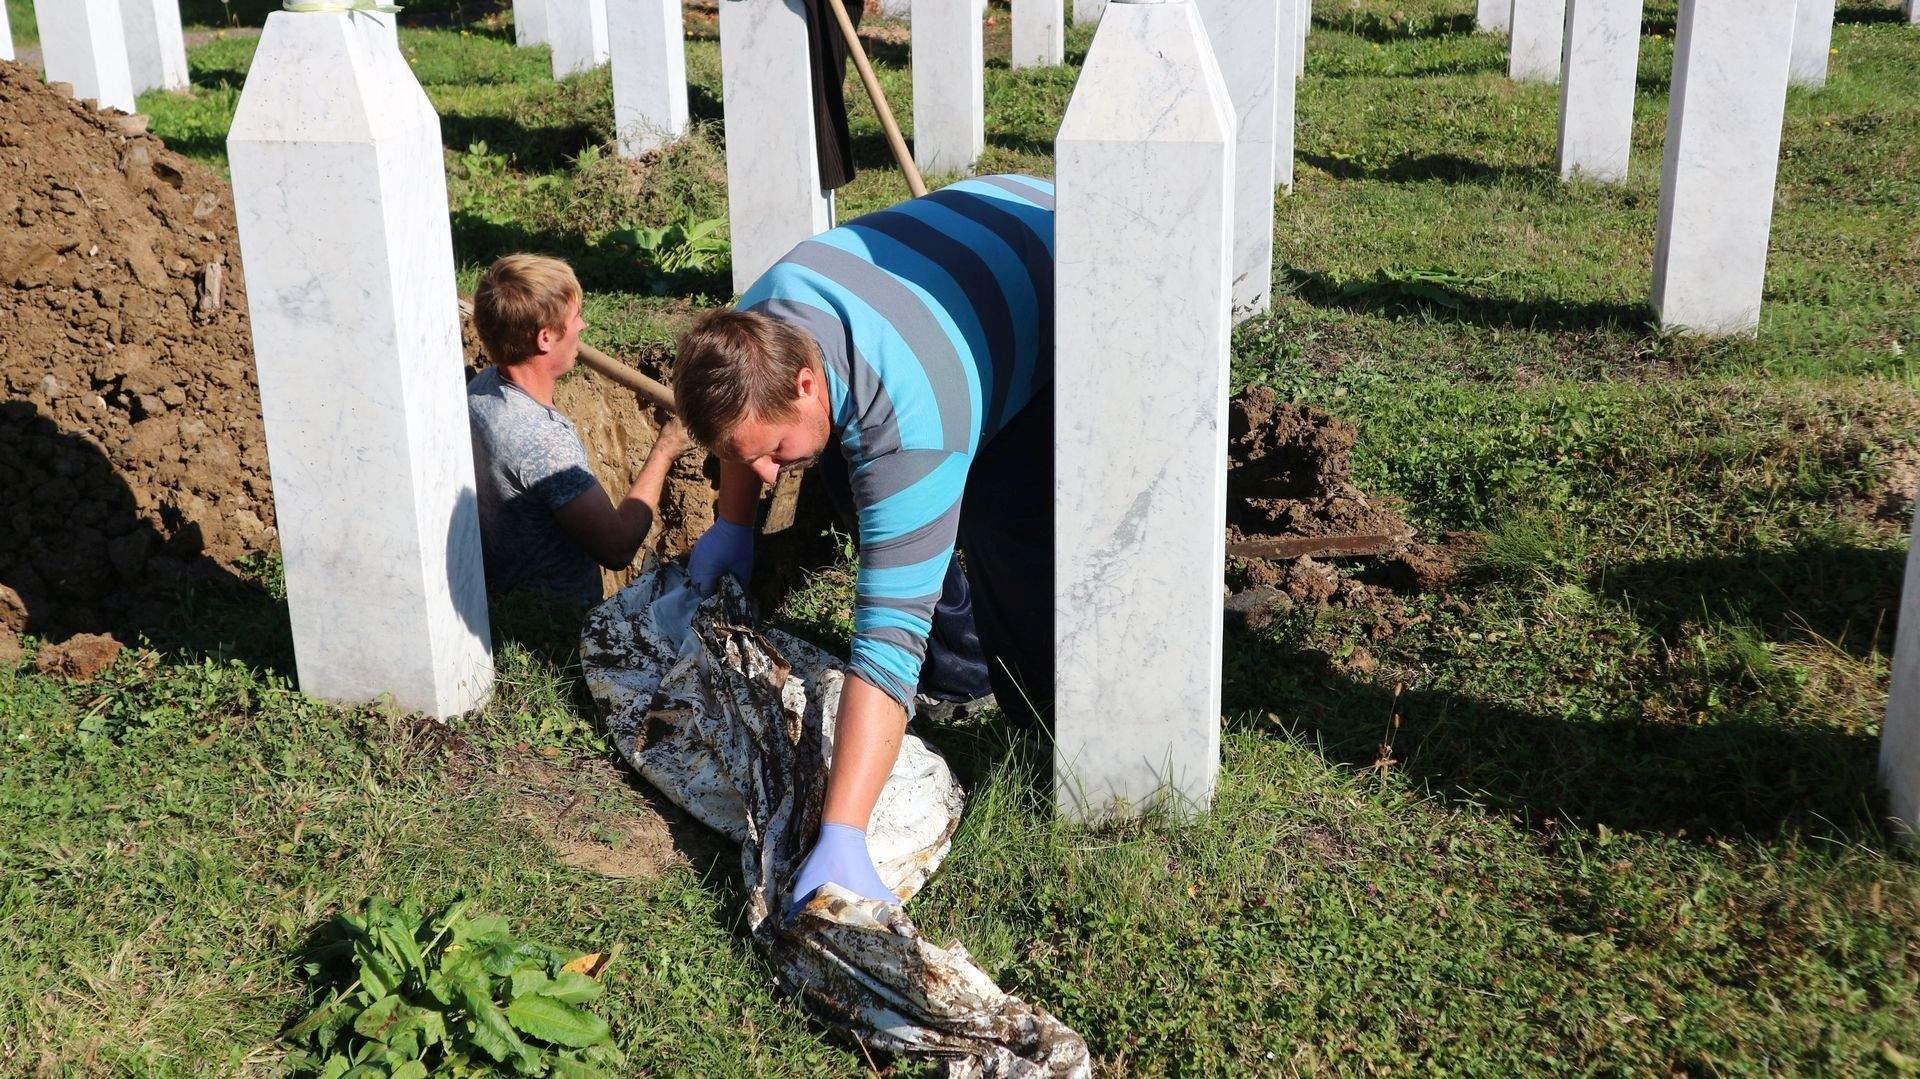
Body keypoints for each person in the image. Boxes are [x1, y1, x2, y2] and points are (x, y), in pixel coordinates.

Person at [670, 175, 1056, 914]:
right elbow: (748, 431)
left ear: (809, 383)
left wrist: (842, 831)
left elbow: (884, 643)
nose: (759, 471)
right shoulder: (757, 329)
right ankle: (959, 675)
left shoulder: (914, 430)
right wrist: (734, 524)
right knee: (842, 480)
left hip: (1051, 265)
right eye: (744, 456)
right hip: (962, 253)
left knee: (1008, 522)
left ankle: (1046, 720)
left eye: (771, 450)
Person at [468, 254, 691, 610]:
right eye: (574, 319)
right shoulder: (541, 441)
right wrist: (666, 447)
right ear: (545, 339)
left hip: (509, 596)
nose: (584, 326)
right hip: (558, 621)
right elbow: (617, 548)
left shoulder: (480, 389)